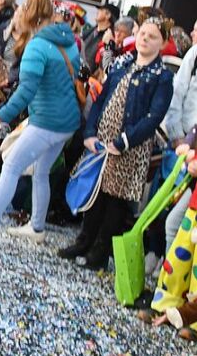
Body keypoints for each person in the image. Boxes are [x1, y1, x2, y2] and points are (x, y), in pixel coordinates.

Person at [59, 18, 174, 268]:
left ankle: (99, 252)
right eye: (142, 33)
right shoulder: (122, 62)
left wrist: (124, 140)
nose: (144, 39)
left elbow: (154, 116)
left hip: (130, 147)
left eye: (152, 36)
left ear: (162, 43)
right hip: (102, 143)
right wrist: (90, 132)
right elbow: (100, 99)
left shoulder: (162, 77)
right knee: (96, 191)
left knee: (115, 200)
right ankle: (84, 240)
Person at [0, 0, 81, 243]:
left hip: (47, 121)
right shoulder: (68, 41)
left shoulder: (37, 46)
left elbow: (25, 91)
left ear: (29, 15)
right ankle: (37, 228)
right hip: (67, 122)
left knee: (11, 167)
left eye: (22, 9)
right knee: (41, 171)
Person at [83, 3, 118, 69]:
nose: (97, 11)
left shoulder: (110, 38)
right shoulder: (91, 31)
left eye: (101, 9)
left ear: (108, 15)